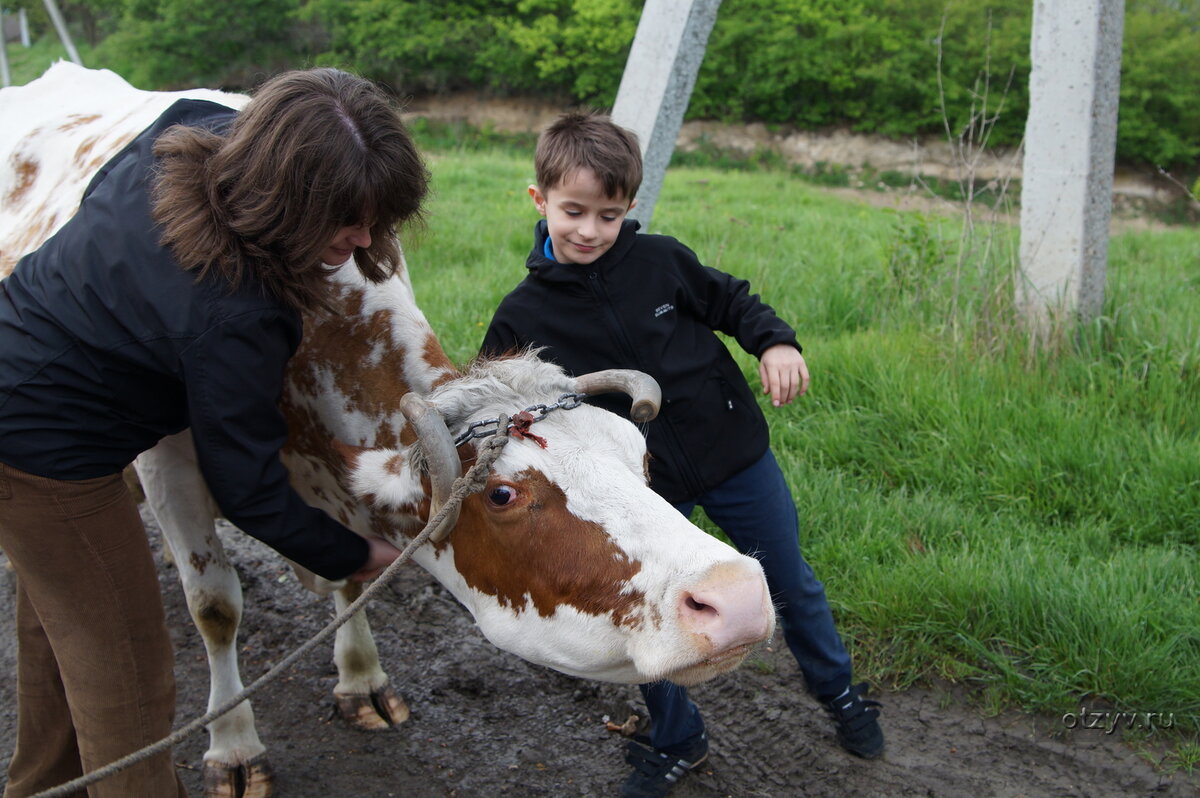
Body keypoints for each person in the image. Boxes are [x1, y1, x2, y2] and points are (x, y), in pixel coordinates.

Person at [0, 67, 429, 797]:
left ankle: (39, 785)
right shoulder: (237, 310)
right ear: (289, 198)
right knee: (129, 677)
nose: (362, 241)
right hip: (41, 455)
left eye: (377, 220)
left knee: (60, 631)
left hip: (15, 369)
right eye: (345, 221)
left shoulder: (193, 129)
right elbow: (248, 487)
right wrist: (355, 552)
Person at [480, 112, 884, 798]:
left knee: (788, 578)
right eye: (572, 211)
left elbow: (732, 300)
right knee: (654, 607)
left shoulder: (661, 260)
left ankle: (839, 692)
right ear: (538, 200)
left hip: (735, 456)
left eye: (608, 215)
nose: (588, 230)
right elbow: (503, 404)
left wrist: (776, 342)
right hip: (643, 490)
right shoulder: (523, 314)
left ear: (628, 209)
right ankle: (677, 737)